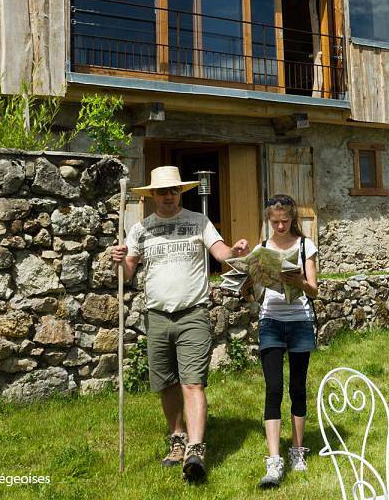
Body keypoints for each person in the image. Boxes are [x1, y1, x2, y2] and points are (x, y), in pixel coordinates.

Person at [110, 165, 249, 485]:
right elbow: (128, 273)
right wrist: (120, 260)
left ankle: (196, 450)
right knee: (166, 383)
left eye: (173, 191)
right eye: (162, 191)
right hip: (157, 316)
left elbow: (221, 252)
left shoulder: (199, 222)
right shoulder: (141, 229)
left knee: (192, 383)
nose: (168, 196)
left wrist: (236, 252)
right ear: (154, 196)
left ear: (180, 193)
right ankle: (177, 439)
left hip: (193, 314)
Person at [243, 194, 319, 490]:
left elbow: (313, 291)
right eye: (274, 222)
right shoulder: (262, 249)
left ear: (293, 218)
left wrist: (297, 280)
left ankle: (297, 451)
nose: (280, 226)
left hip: (299, 321)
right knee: (273, 388)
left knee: (297, 387)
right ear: (268, 220)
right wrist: (246, 285)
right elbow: (252, 295)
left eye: (285, 220)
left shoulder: (304, 246)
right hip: (270, 321)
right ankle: (274, 459)